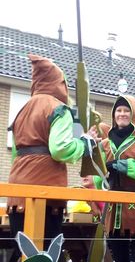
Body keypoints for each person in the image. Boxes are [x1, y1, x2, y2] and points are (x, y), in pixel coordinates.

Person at [7, 54, 100, 261]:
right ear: (60, 83)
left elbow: (15, 153)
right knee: (47, 253)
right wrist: (85, 142)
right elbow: (60, 148)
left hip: (17, 191)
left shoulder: (22, 110)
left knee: (24, 252)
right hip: (46, 191)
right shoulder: (58, 108)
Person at [95, 95, 135, 262]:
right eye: (118, 110)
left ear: (134, 115)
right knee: (117, 256)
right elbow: (96, 175)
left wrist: (126, 166)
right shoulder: (104, 144)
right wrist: (104, 176)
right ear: (113, 114)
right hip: (113, 208)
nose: (122, 114)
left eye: (126, 110)